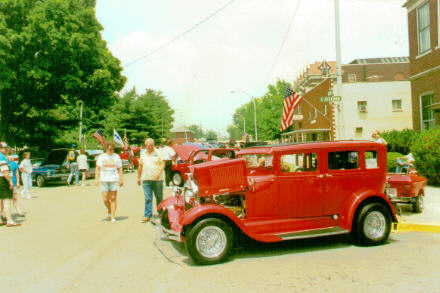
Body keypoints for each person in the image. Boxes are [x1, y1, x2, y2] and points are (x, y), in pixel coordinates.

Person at [137, 138, 165, 223]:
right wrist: (138, 177)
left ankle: (160, 213)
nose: (150, 147)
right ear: (146, 146)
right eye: (148, 145)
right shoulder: (143, 154)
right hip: (146, 179)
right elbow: (140, 166)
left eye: (152, 145)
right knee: (148, 198)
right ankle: (148, 215)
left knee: (159, 197)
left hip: (157, 179)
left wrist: (159, 173)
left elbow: (162, 164)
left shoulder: (159, 152)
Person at [95, 142, 124, 222]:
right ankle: (109, 210)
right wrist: (96, 179)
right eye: (110, 149)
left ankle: (112, 217)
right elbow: (97, 168)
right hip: (104, 179)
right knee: (105, 198)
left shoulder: (116, 157)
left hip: (114, 179)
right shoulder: (101, 157)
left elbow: (120, 168)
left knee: (113, 198)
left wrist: (121, 179)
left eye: (112, 149)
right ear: (106, 149)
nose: (111, 150)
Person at [0, 142, 21, 227]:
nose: (6, 150)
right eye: (5, 148)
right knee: (7, 200)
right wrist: (10, 181)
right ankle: (9, 220)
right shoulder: (2, 157)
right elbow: (5, 171)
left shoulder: (3, 157)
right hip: (3, 180)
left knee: (1, 200)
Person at [7, 149, 25, 216]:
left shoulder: (14, 163)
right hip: (5, 183)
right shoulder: (3, 163)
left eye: (10, 155)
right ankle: (4, 214)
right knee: (6, 200)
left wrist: (18, 182)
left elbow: (17, 173)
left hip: (13, 183)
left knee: (15, 197)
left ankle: (19, 210)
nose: (9, 157)